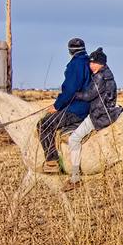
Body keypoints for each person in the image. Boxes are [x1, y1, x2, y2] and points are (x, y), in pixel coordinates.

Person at [63, 47, 123, 191]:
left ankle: (75, 177)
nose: (90, 65)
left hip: (99, 115)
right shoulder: (109, 75)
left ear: (100, 63)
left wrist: (73, 94)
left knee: (73, 139)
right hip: (109, 111)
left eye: (93, 63)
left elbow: (88, 96)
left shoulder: (99, 76)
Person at [37, 38, 91, 174]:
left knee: (44, 125)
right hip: (87, 105)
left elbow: (70, 89)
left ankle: (51, 162)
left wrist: (57, 106)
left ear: (70, 51)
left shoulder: (76, 64)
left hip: (77, 109)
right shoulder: (88, 62)